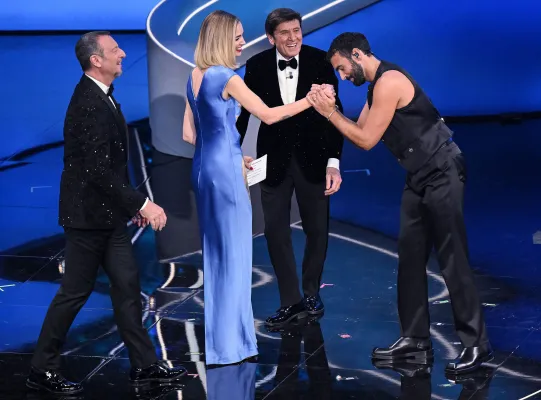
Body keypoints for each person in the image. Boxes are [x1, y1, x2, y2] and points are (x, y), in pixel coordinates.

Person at [307, 32, 493, 374]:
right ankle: (415, 341)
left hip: (442, 171)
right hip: (419, 176)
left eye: (342, 68)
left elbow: (366, 140)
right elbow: (357, 129)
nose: (343, 76)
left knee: (452, 258)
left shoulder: (390, 82)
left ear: (357, 54)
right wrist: (328, 108)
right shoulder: (374, 86)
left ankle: (477, 346)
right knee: (409, 257)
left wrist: (329, 113)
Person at [27, 31, 186, 395]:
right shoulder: (88, 103)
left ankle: (144, 366)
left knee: (128, 287)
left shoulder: (103, 95)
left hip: (108, 216)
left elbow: (112, 165)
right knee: (74, 293)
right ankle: (41, 368)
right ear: (95, 60)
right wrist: (142, 203)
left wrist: (128, 205)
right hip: (86, 219)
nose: (123, 53)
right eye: (115, 50)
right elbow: (96, 171)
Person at [182, 10, 314, 365]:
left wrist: (230, 153)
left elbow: (190, 134)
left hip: (203, 169)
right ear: (221, 39)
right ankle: (231, 346)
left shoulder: (194, 76)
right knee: (235, 256)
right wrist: (310, 100)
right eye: (237, 37)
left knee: (216, 256)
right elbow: (268, 115)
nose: (242, 43)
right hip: (226, 175)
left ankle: (223, 343)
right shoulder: (226, 76)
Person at [236, 8, 344, 328]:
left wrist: (334, 163)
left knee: (317, 230)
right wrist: (232, 153)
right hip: (272, 160)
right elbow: (244, 116)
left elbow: (335, 115)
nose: (293, 37)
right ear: (271, 38)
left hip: (315, 159)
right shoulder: (256, 65)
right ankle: (290, 300)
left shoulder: (320, 61)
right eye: (284, 32)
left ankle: (311, 293)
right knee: (275, 231)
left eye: (296, 30)